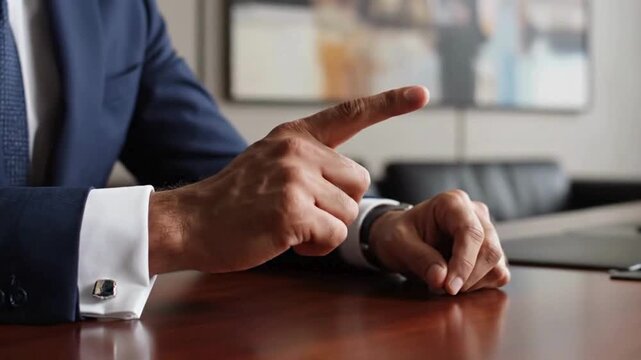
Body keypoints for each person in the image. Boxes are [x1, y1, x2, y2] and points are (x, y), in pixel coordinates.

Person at [0, 0, 509, 324]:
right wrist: (171, 226)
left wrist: (376, 226)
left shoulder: (122, 10)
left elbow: (237, 181)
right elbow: (210, 208)